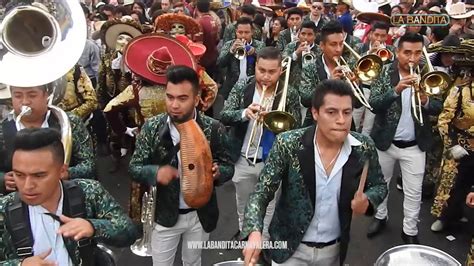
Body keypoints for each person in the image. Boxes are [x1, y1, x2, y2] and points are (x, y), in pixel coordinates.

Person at [242, 79, 387, 265]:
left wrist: (368, 201)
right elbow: (261, 192)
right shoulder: (289, 143)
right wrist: (255, 231)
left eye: (347, 112)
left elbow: (379, 185)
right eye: (332, 112)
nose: (341, 120)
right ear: (315, 113)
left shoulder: (363, 147)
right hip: (289, 251)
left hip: (333, 251)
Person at [128, 65, 235, 265]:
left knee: (193, 262)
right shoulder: (152, 128)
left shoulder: (214, 129)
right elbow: (134, 167)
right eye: (170, 97)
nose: (174, 104)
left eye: (182, 98)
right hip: (165, 216)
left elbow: (229, 166)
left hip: (199, 216)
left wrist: (218, 172)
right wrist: (156, 172)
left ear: (196, 99)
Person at [0, 128, 138, 265]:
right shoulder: (3, 209)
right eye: (19, 175)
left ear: (62, 171)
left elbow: (128, 232)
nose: (27, 185)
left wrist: (93, 227)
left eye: (39, 175)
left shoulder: (88, 191)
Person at [366, 32, 443, 244]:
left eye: (418, 53)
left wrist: (426, 100)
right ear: (397, 52)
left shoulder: (428, 73)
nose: (412, 58)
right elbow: (374, 103)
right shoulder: (384, 71)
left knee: (413, 191)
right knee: (381, 184)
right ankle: (380, 217)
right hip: (386, 141)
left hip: (415, 145)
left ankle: (409, 230)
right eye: (407, 52)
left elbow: (438, 107)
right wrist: (396, 90)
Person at [221, 47, 301, 246]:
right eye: (261, 70)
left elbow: (297, 126)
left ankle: (262, 242)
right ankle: (245, 236)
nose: (265, 76)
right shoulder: (242, 87)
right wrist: (244, 113)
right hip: (243, 158)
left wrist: (276, 120)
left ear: (280, 71)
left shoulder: (288, 93)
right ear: (255, 66)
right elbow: (224, 114)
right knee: (244, 203)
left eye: (271, 72)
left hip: (271, 160)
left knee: (269, 205)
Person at [0, 83, 96, 195]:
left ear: (46, 95)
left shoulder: (70, 122)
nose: (25, 102)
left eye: (32, 95)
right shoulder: (2, 130)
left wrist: (66, 173)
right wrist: (2, 180)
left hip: (67, 195)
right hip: (20, 202)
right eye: (18, 96)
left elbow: (89, 164)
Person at [431, 41, 474, 233]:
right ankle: (445, 216)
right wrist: (452, 144)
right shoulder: (460, 91)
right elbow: (444, 119)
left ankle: (459, 212)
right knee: (451, 185)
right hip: (461, 146)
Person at [217, 17, 265, 100]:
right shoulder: (229, 44)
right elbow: (220, 63)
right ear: (236, 32)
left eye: (246, 32)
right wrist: (231, 51)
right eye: (240, 32)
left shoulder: (259, 45)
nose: (243, 35)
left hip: (252, 86)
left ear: (252, 32)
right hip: (232, 87)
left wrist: (255, 52)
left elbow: (265, 63)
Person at [283, 20, 320, 88]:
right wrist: (296, 53)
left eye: (310, 34)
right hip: (291, 86)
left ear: (315, 36)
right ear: (299, 34)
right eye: (303, 34)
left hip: (311, 88)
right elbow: (283, 64)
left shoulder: (320, 50)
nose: (305, 37)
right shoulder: (290, 46)